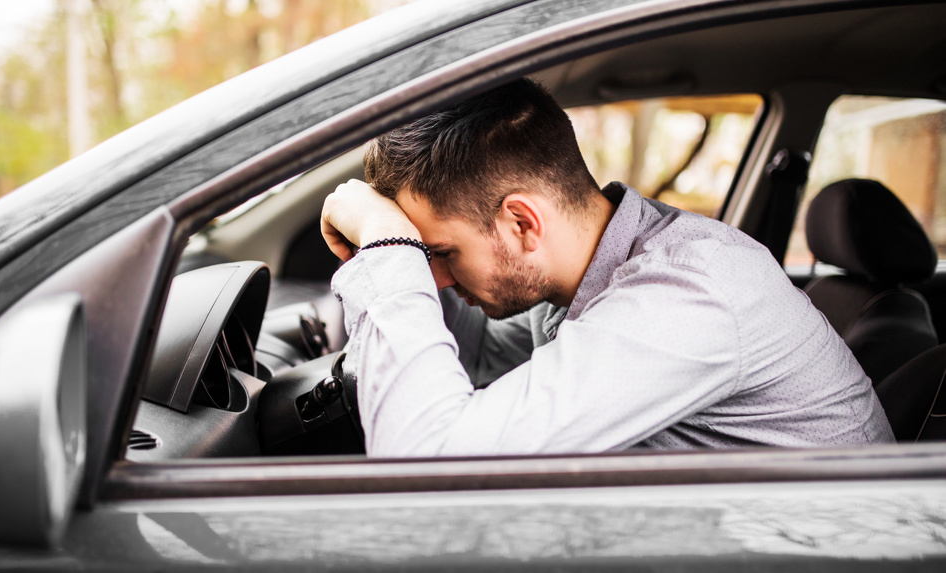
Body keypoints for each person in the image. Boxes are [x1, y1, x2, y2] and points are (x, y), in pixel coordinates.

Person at [319, 78, 894, 457]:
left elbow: (425, 466)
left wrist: (387, 253)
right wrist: (400, 248)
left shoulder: (689, 292)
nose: (435, 278)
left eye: (441, 254)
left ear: (522, 224)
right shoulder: (588, 271)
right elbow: (475, 357)